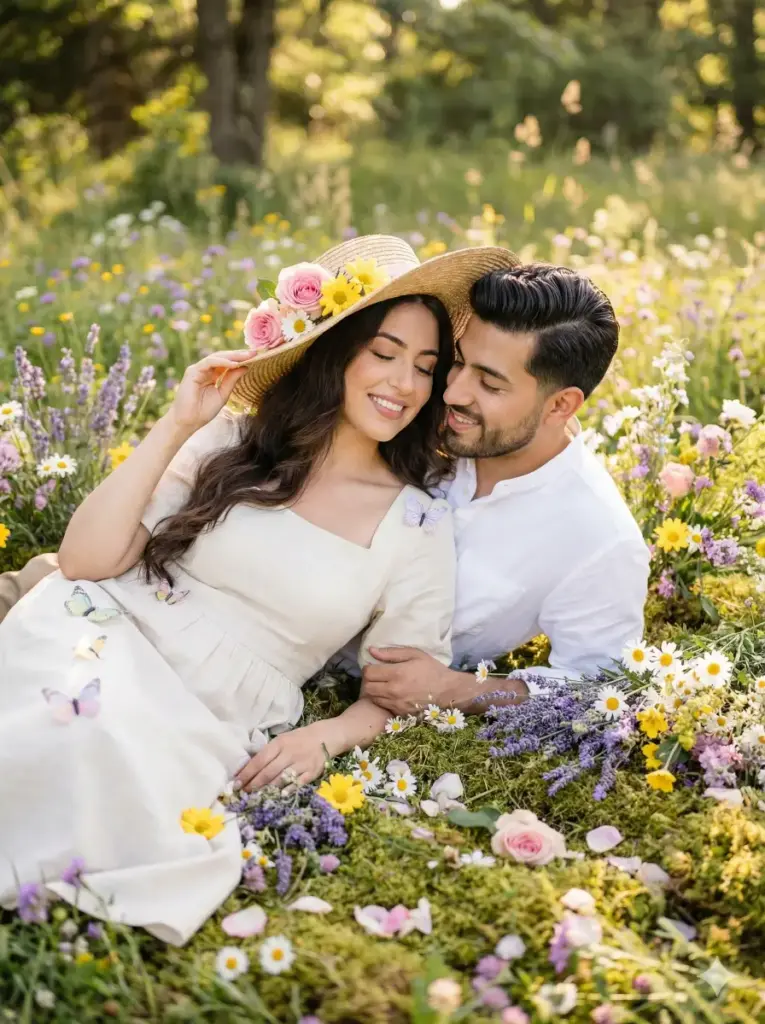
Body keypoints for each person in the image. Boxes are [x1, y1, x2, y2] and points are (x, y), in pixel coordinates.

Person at [0, 234, 519, 944]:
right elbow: (86, 561)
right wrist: (181, 421)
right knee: (47, 718)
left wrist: (327, 737)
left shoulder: (415, 521)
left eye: (426, 368)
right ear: (334, 350)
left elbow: (398, 688)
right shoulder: (232, 444)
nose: (404, 384)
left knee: (89, 751)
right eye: (385, 353)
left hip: (215, 706)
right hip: (105, 628)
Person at [361, 263, 650, 715]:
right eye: (458, 361)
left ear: (560, 405)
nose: (453, 392)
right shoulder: (411, 402)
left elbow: (599, 684)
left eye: (490, 383)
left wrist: (457, 690)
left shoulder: (599, 540)